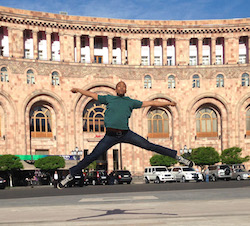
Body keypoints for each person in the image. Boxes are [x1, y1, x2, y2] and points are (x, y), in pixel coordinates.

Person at [57, 81, 194, 189]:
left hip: (126, 133)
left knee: (148, 145)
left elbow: (151, 103)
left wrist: (168, 103)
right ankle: (71, 175)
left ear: (125, 90)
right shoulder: (108, 98)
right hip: (110, 135)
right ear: (116, 90)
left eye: (123, 86)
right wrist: (78, 90)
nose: (121, 88)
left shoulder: (130, 102)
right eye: (119, 86)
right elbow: (91, 95)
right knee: (93, 155)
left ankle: (177, 156)